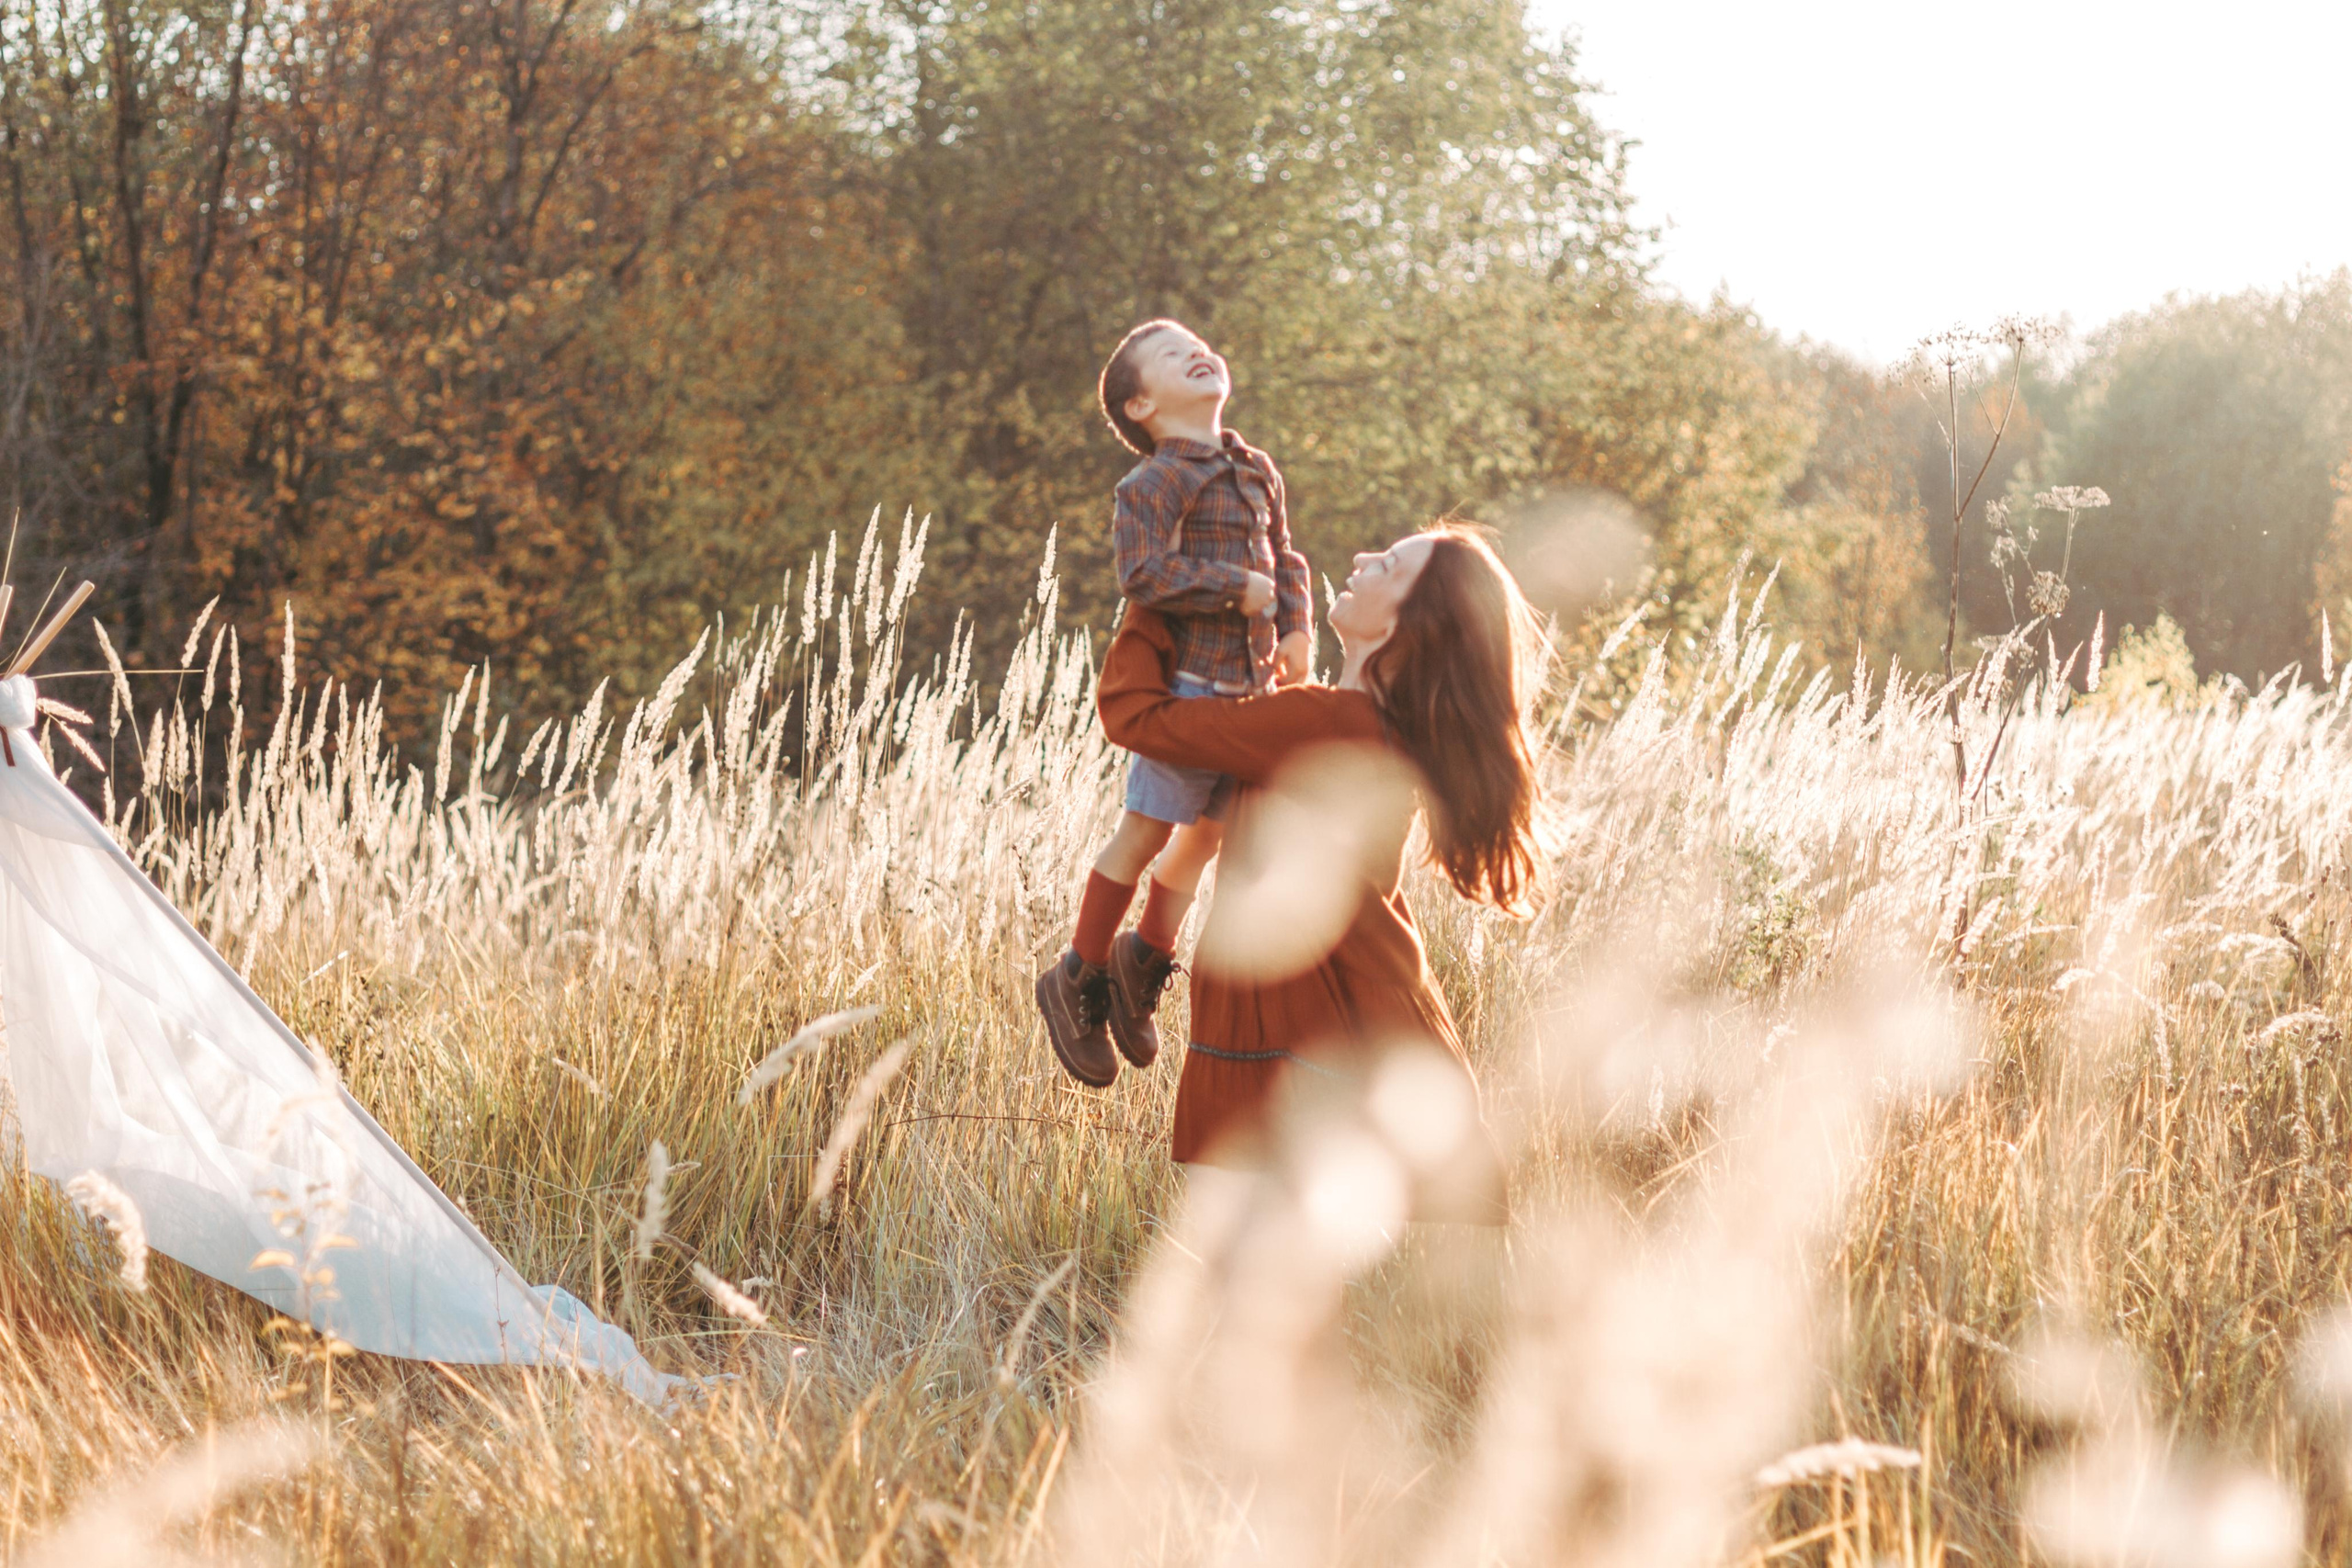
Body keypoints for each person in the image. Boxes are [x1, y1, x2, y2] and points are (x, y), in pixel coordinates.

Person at [1094, 523, 1540, 1221]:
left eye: (1388, 565)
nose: (1361, 558)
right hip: (1355, 1017)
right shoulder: (1371, 725)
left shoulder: (1319, 720)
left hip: (1292, 1035)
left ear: (1407, 627)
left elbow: (1139, 717)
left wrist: (1153, 599)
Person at [1035, 320, 1313, 1087]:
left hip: (1249, 694)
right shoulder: (1151, 484)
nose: (1196, 352)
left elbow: (1286, 555)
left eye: (1197, 345)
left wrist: (1294, 628)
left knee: (1207, 839)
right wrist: (1233, 591)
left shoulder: (1257, 469)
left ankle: (1142, 959)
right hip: (1187, 692)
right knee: (1147, 832)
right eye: (1168, 355)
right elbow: (1143, 573)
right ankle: (1077, 974)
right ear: (1140, 406)